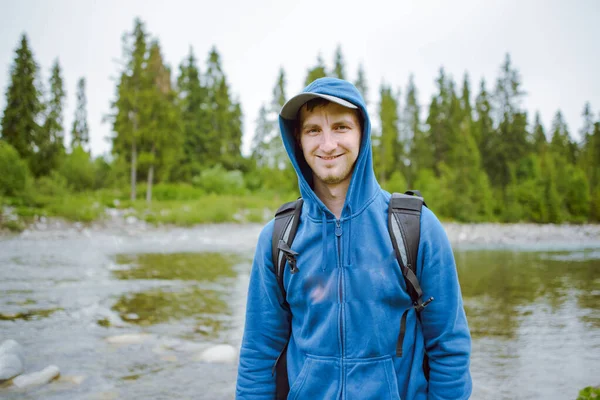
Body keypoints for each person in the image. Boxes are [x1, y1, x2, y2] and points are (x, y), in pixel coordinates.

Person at [236, 77, 472, 399]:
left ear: (362, 131)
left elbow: (449, 348)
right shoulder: (278, 238)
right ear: (298, 140)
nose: (328, 144)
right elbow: (258, 353)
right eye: (314, 130)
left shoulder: (416, 228)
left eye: (341, 127)